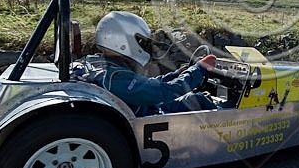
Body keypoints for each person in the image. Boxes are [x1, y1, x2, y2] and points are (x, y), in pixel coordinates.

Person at [87, 11, 217, 116]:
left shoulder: (99, 65)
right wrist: (199, 69)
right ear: (123, 41)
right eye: (141, 41)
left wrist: (176, 74)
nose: (145, 46)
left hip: (143, 106)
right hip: (150, 114)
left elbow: (146, 86)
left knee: (197, 98)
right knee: (201, 101)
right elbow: (162, 92)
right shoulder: (116, 77)